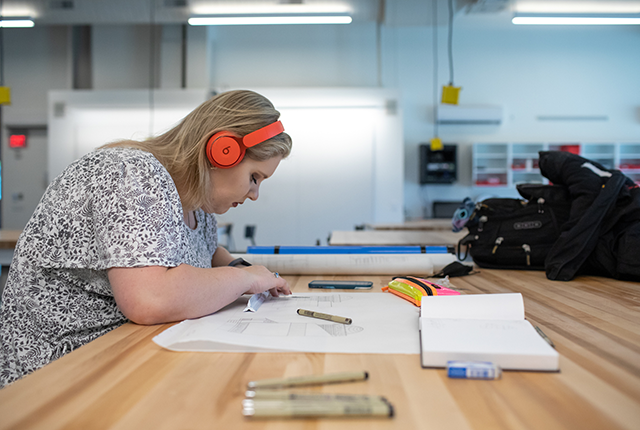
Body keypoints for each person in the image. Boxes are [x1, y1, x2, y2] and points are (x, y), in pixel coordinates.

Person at [0, 89, 292, 388]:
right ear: (222, 151)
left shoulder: (196, 206)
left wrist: (243, 268)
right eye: (254, 177)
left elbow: (203, 251)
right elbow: (150, 298)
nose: (255, 194)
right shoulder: (132, 174)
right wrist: (247, 280)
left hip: (116, 354)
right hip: (53, 374)